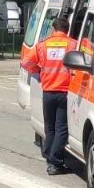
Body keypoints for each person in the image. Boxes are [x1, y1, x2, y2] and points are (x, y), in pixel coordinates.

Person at [25, 15, 74, 174]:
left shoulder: (42, 45)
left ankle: (49, 156)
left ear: (54, 29)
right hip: (64, 92)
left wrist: (38, 71)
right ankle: (54, 161)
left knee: (50, 128)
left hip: (48, 92)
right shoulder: (72, 44)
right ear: (67, 30)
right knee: (62, 129)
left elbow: (27, 63)